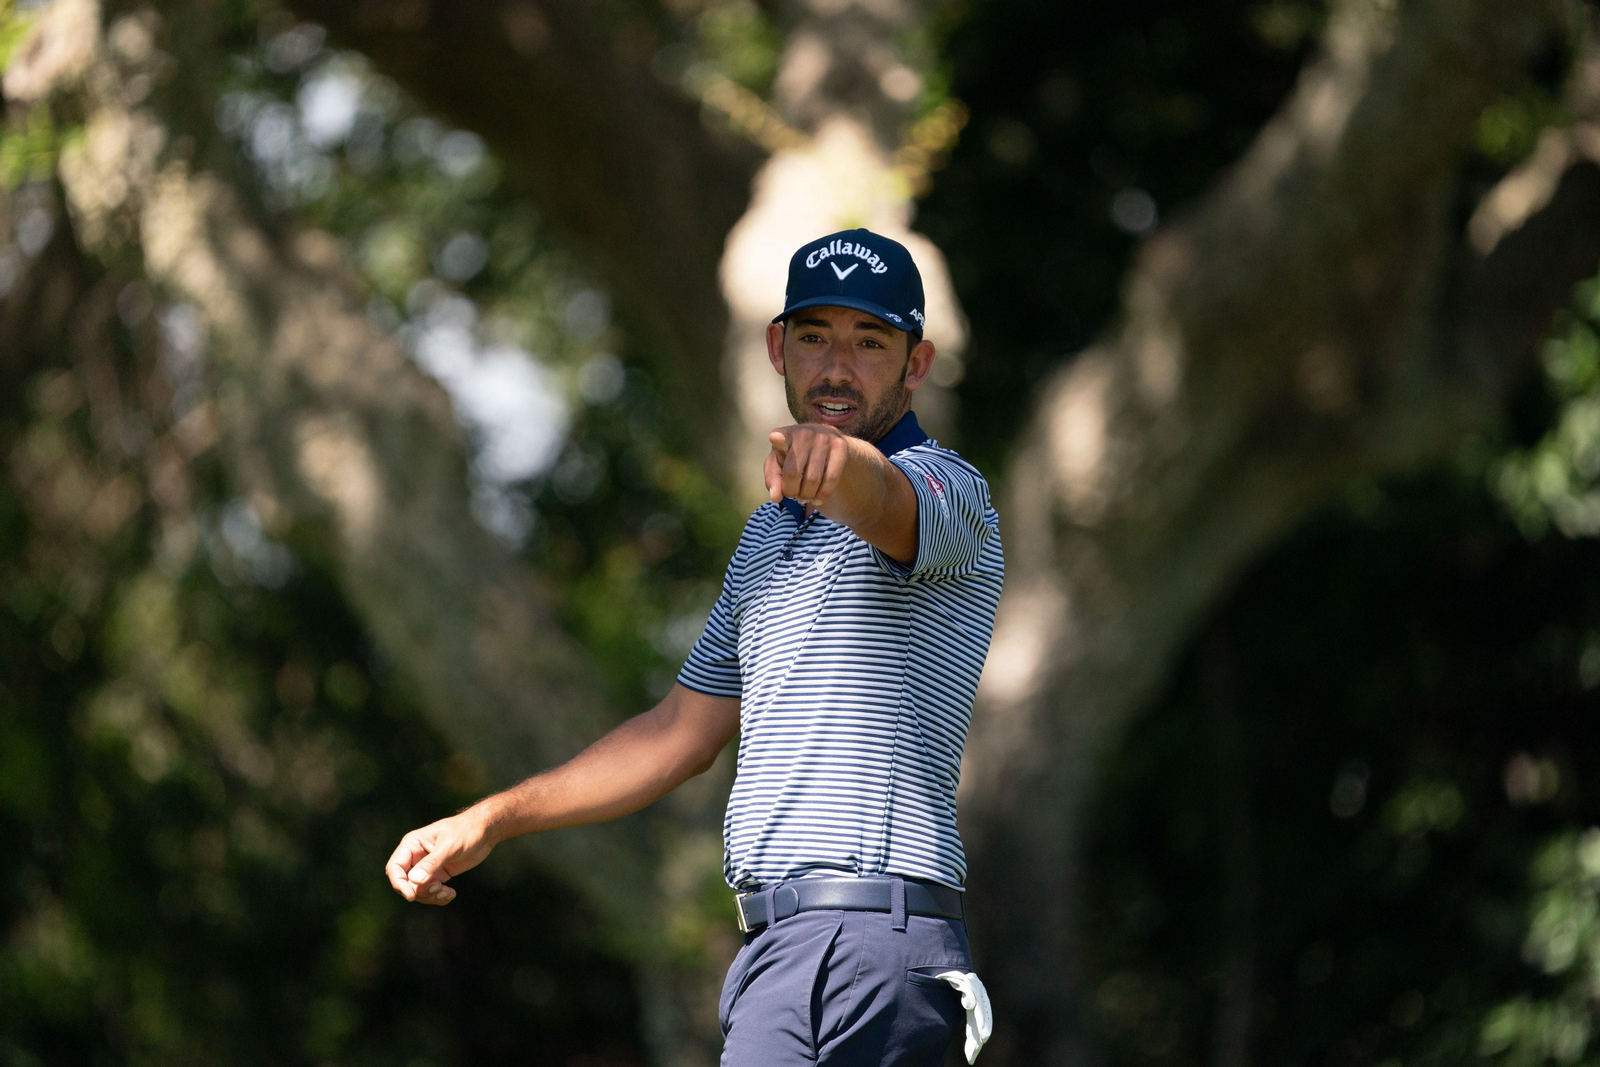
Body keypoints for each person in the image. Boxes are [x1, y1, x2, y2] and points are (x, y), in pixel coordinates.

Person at [384, 229, 1004, 1066]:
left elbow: (882, 495)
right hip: (769, 958)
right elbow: (680, 732)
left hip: (882, 949)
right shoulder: (765, 542)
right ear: (779, 346)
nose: (836, 367)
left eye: (870, 343)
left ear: (916, 363)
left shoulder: (949, 492)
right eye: (816, 336)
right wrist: (491, 818)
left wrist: (837, 459)